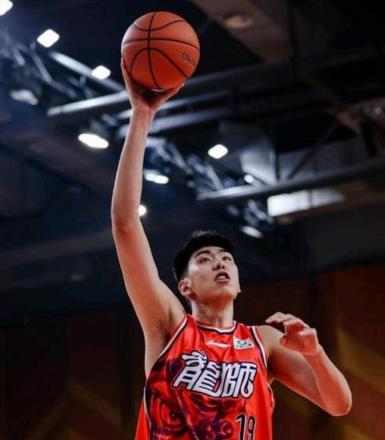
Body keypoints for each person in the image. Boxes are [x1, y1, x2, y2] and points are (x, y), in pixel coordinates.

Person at [111, 60, 352, 440]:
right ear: (185, 286)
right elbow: (125, 224)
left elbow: (338, 404)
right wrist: (142, 116)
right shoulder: (169, 324)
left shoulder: (263, 341)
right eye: (204, 260)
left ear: (239, 283)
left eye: (226, 259)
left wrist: (314, 352)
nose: (219, 263)